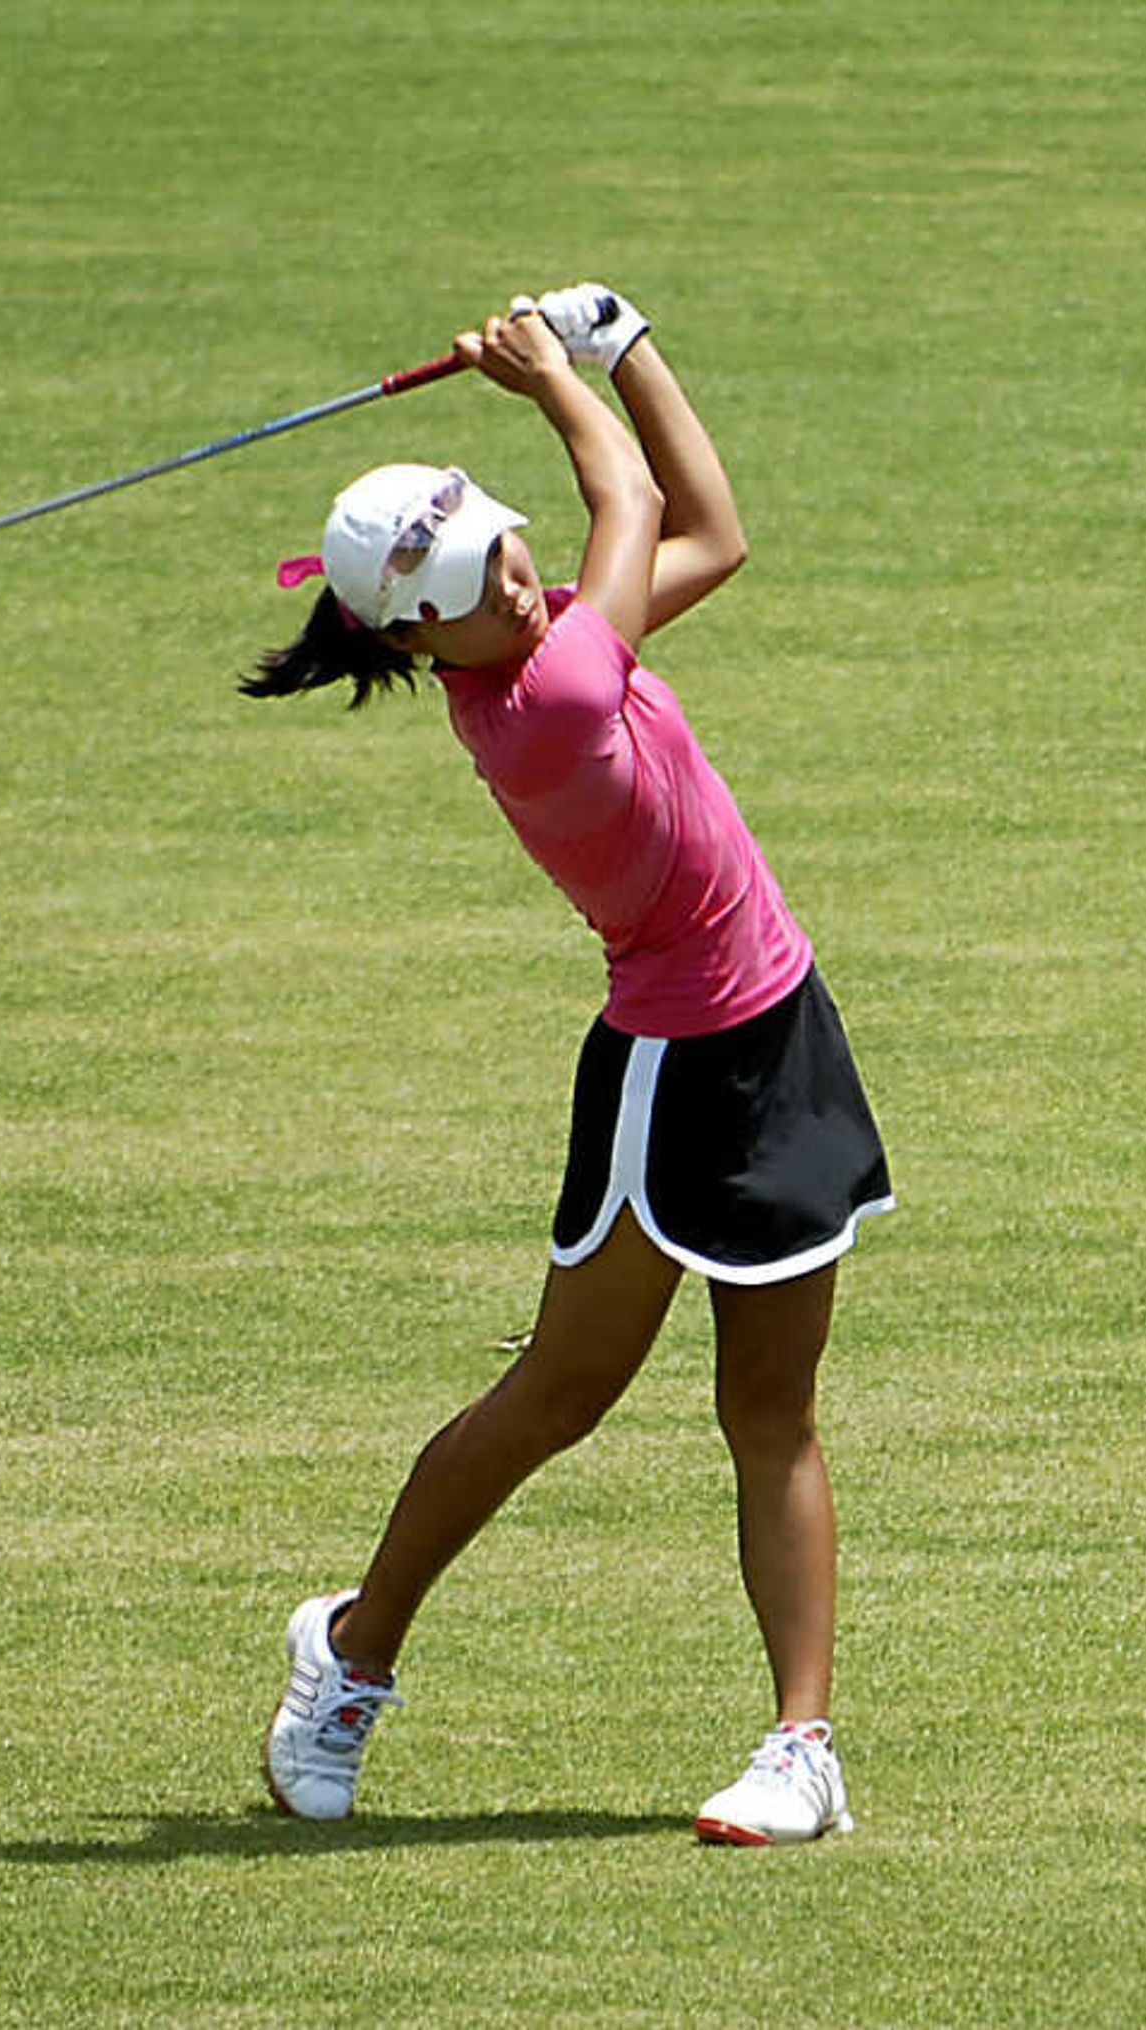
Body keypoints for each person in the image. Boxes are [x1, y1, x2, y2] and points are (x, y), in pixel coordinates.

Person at [242, 285, 893, 1845]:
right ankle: (352, 1651)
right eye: (478, 584)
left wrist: (632, 342)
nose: (520, 586)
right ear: (416, 637)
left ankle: (803, 1747)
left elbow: (713, 533)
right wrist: (557, 376)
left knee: (773, 1409)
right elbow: (633, 494)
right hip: (669, 1072)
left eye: (514, 554)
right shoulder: (540, 706)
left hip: (781, 1025)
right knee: (561, 1392)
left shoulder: (553, 639)